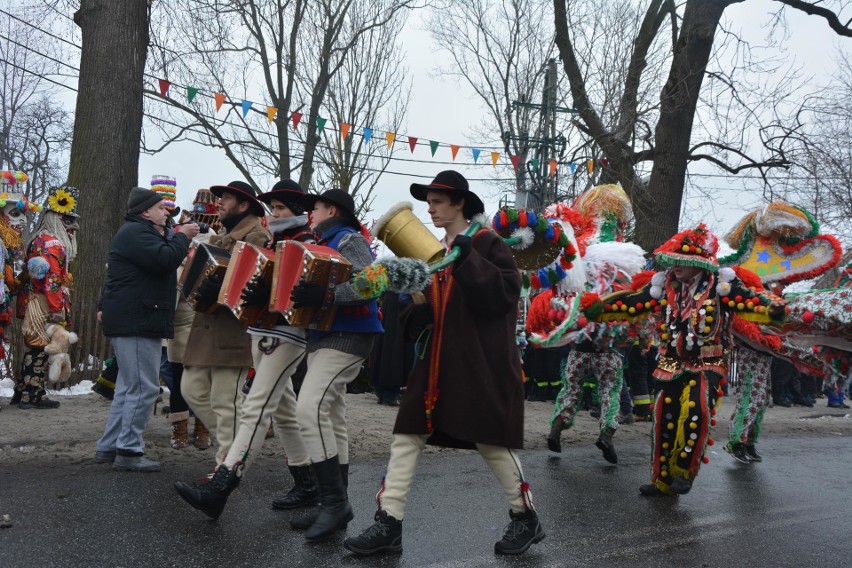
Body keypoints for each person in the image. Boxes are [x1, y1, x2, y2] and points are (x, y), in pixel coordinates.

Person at [344, 170, 544, 557]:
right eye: (429, 202)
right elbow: (431, 313)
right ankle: (389, 522)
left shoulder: (487, 244)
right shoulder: (433, 251)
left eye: (438, 202)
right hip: (435, 366)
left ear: (459, 205)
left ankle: (525, 517)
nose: (430, 209)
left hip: (480, 365)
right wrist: (415, 311)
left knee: (492, 442)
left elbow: (503, 295)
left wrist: (468, 259)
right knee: (405, 437)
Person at [596, 224, 784, 496]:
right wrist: (598, 308)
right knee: (662, 416)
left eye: (681, 261)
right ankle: (661, 479)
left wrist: (771, 308)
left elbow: (749, 301)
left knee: (697, 409)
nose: (676, 266)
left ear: (699, 262)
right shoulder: (663, 285)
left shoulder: (721, 285)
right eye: (673, 261)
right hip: (670, 361)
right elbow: (633, 303)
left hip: (708, 360)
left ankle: (685, 470)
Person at [174, 179, 318, 519]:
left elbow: (301, 287)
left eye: (282, 208)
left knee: (255, 406)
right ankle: (307, 480)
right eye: (275, 207)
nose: (276, 213)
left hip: (286, 333)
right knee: (283, 411)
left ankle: (222, 483)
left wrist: (258, 292)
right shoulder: (281, 239)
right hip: (264, 330)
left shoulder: (302, 241)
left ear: (297, 211)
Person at [259, 188, 382, 542]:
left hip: (348, 336)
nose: (310, 212)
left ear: (332, 209)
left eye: (315, 207)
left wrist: (327, 296)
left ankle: (335, 504)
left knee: (309, 408)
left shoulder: (348, 239)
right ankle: (335, 503)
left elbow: (372, 282)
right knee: (330, 415)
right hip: (325, 337)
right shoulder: (320, 241)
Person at [94, 186, 199, 472]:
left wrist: (172, 236)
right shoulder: (137, 233)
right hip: (137, 320)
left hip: (135, 318)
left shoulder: (138, 233)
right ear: (145, 211)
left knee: (129, 387)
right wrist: (181, 237)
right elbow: (165, 260)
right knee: (144, 387)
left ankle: (110, 446)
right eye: (161, 208)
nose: (166, 212)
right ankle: (128, 450)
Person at [179, 181, 270, 467]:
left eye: (226, 198)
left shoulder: (258, 237)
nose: (219, 203)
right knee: (191, 390)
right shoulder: (221, 238)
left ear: (244, 205)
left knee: (225, 402)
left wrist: (216, 288)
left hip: (232, 331)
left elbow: (248, 284)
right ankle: (238, 448)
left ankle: (226, 467)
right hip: (206, 330)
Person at [14, 185, 80, 409]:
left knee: (35, 344)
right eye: (69, 220)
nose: (74, 226)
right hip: (44, 301)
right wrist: (55, 308)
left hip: (33, 299)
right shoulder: (53, 245)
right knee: (42, 346)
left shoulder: (37, 240)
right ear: (58, 218)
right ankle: (32, 395)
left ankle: (22, 391)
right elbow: (51, 281)